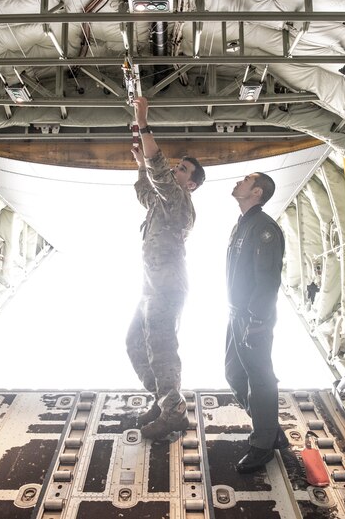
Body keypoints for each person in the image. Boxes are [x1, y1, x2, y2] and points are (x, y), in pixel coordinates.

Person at [125, 96, 206, 440]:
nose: (176, 169)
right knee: (134, 342)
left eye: (183, 170)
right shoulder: (161, 202)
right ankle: (163, 401)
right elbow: (147, 192)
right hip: (152, 284)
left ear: (190, 185)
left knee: (160, 342)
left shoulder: (180, 201)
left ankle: (174, 410)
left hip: (167, 284)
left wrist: (144, 124)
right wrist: (141, 165)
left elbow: (159, 176)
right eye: (179, 166)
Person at [225, 172, 287, 473]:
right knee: (233, 373)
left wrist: (258, 320)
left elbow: (267, 280)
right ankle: (269, 426)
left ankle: (263, 446)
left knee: (260, 379)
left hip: (253, 317)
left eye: (246, 180)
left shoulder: (264, 229)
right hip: (236, 314)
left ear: (257, 192)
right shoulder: (243, 225)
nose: (239, 182)